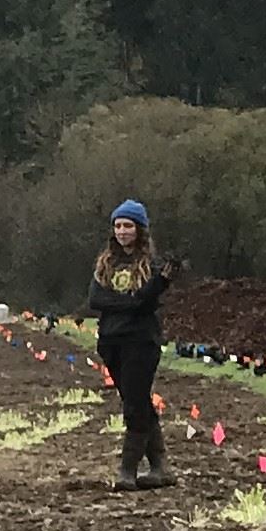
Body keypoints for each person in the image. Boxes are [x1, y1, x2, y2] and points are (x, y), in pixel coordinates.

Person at [88, 199, 182, 491]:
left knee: (134, 403)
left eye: (128, 225)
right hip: (111, 341)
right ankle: (160, 468)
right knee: (137, 401)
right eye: (118, 225)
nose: (122, 231)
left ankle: (127, 470)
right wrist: (130, 301)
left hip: (141, 342)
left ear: (139, 230)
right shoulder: (106, 263)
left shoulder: (153, 266)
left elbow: (146, 302)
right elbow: (96, 299)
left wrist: (137, 298)